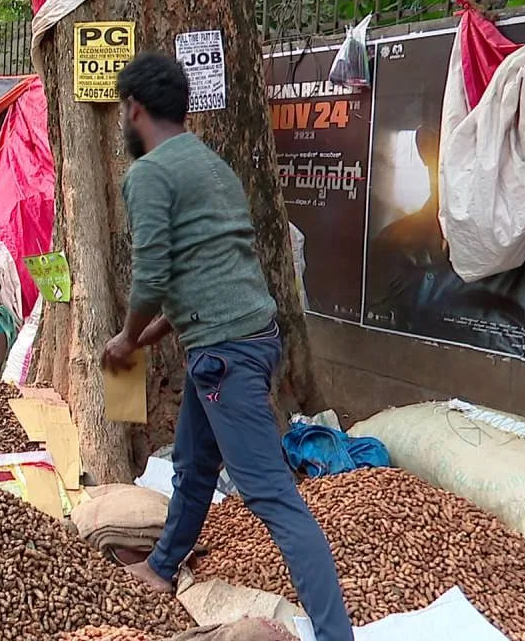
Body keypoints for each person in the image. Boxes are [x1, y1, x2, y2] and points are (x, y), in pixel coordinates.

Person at [99, 53, 352, 641]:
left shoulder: (150, 174)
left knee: (272, 496)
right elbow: (199, 280)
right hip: (247, 339)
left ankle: (336, 634)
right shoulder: (213, 166)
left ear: (134, 109)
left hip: (225, 354)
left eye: (121, 112)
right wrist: (146, 334)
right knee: (192, 464)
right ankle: (162, 567)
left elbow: (153, 277)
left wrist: (126, 340)